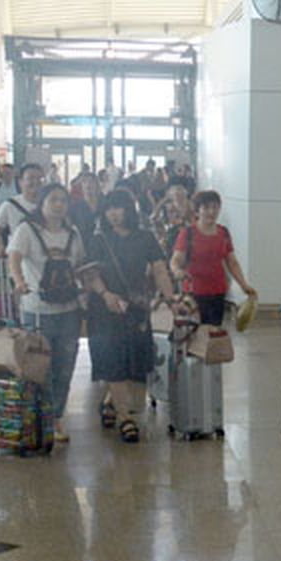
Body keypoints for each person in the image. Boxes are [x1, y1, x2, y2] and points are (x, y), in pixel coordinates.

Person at [82, 188, 178, 443]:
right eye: (109, 208)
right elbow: (91, 274)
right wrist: (106, 295)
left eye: (119, 207)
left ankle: (111, 402)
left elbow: (160, 270)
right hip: (105, 310)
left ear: (129, 209)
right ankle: (126, 418)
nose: (114, 214)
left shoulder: (145, 238)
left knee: (136, 363)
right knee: (114, 362)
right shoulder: (99, 240)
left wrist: (171, 299)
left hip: (136, 310)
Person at [7, 183, 85, 443]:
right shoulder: (27, 230)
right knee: (40, 366)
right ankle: (39, 416)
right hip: (37, 311)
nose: (59, 205)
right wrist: (19, 281)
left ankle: (56, 417)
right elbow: (14, 258)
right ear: (42, 203)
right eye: (53, 200)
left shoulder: (72, 233)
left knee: (65, 365)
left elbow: (81, 264)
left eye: (63, 200)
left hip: (69, 310)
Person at [170, 190, 256, 326]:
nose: (211, 212)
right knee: (195, 335)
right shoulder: (188, 233)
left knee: (214, 332)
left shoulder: (223, 233)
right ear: (197, 211)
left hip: (218, 292)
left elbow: (232, 262)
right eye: (206, 208)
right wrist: (177, 271)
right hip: (193, 293)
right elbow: (176, 260)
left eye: (215, 207)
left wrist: (243, 285)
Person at [0, 163, 45, 256]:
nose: (36, 182)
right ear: (20, 182)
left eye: (40, 178)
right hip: (18, 259)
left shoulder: (51, 205)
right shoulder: (9, 205)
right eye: (30, 178)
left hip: (45, 259)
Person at [68, 171, 102, 256]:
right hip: (84, 247)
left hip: (104, 246)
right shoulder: (74, 207)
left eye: (91, 181)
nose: (88, 184)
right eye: (84, 182)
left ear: (96, 185)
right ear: (81, 186)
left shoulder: (105, 204)